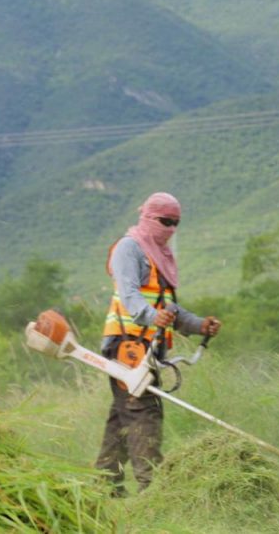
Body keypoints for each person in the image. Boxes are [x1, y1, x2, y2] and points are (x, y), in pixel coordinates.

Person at [94, 191, 222, 495]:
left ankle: (104, 486)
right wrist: (153, 317)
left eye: (176, 222)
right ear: (149, 217)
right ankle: (152, 489)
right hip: (127, 345)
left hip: (149, 348)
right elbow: (130, 297)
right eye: (166, 221)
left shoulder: (161, 256)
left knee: (124, 414)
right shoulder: (129, 248)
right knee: (143, 411)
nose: (171, 229)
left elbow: (169, 310)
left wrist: (199, 325)